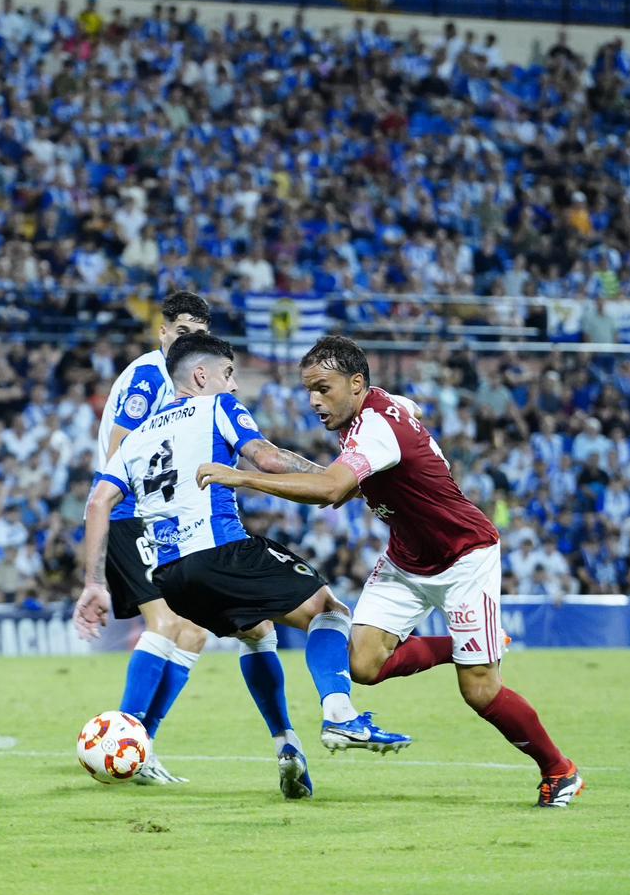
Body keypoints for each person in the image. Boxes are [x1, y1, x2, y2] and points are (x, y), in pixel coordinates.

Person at [197, 335, 584, 808]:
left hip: (465, 557)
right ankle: (462, 649)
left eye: (324, 388)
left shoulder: (375, 428)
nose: (315, 401)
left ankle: (558, 769)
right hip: (406, 558)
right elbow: (408, 407)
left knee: (479, 691)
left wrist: (242, 476)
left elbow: (331, 492)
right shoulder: (374, 408)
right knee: (361, 664)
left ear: (357, 383)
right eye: (309, 391)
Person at [77, 333, 409, 801]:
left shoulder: (136, 438)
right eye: (228, 374)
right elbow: (269, 459)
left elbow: (98, 503)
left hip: (173, 579)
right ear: (201, 377)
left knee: (258, 633)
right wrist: (342, 478)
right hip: (222, 552)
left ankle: (287, 745)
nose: (233, 386)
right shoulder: (216, 408)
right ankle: (341, 715)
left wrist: (93, 583)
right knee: (329, 611)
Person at [84, 291, 212, 785]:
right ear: (163, 333)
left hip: (164, 518)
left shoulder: (190, 384)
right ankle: (124, 744)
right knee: (165, 620)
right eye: (181, 332)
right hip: (130, 513)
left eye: (197, 335)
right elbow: (121, 447)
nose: (188, 342)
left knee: (195, 629)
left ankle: (144, 743)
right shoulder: (149, 375)